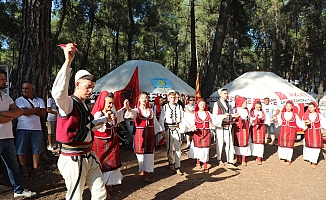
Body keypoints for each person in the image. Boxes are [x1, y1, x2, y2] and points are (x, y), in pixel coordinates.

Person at [52, 43, 108, 200]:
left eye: (92, 87)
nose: (90, 90)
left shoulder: (83, 105)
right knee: (75, 196)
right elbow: (58, 93)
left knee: (100, 192)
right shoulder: (68, 103)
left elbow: (87, 125)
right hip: (73, 158)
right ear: (77, 84)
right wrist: (67, 62)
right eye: (88, 86)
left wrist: (105, 119)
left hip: (88, 155)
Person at [0, 69, 37, 198]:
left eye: (5, 78)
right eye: (2, 79)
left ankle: (18, 190)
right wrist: (11, 116)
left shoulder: (5, 96)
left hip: (8, 137)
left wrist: (6, 115)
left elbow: (19, 111)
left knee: (13, 166)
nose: (5, 81)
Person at [91, 91, 127, 198]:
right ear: (103, 102)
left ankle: (106, 189)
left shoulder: (112, 113)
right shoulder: (99, 114)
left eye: (112, 103)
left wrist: (125, 108)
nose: (111, 105)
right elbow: (97, 125)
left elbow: (119, 115)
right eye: (109, 103)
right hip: (101, 145)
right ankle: (102, 190)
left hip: (112, 144)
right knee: (101, 167)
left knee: (111, 167)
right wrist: (106, 119)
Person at [124, 92, 164, 182]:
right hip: (140, 135)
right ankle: (142, 168)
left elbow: (155, 122)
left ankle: (146, 173)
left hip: (149, 134)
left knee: (149, 154)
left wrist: (161, 131)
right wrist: (127, 107)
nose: (144, 100)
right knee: (141, 155)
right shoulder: (137, 110)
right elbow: (131, 112)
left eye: (146, 98)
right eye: (142, 98)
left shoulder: (150, 111)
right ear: (139, 100)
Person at [15, 82, 46, 180]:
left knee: (36, 150)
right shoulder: (19, 100)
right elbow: (24, 112)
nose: (24, 90)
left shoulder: (39, 100)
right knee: (21, 150)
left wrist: (30, 111)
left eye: (27, 89)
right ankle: (24, 170)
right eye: (23, 88)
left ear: (32, 90)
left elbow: (43, 113)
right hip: (22, 128)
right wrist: (37, 109)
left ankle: (36, 169)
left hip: (36, 129)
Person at [187, 98, 223, 172]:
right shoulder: (195, 114)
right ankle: (198, 163)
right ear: (198, 105)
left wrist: (222, 118)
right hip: (198, 133)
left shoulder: (208, 113)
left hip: (206, 132)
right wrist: (193, 126)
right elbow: (191, 122)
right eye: (201, 104)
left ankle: (205, 164)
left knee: (205, 149)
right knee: (198, 148)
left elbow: (215, 119)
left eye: (204, 104)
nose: (202, 106)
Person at [213, 89, 238, 169]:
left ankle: (230, 161)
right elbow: (214, 116)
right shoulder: (216, 104)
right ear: (220, 94)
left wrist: (233, 116)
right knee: (220, 143)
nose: (226, 95)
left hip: (227, 125)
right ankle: (219, 159)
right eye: (224, 93)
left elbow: (229, 114)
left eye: (227, 93)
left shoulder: (228, 103)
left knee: (229, 143)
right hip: (220, 126)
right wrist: (222, 117)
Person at [276, 101, 306, 166]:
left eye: (290, 106)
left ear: (292, 107)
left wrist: (305, 126)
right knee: (282, 144)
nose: (288, 108)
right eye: (287, 106)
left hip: (291, 131)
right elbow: (279, 123)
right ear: (285, 106)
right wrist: (276, 121)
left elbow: (299, 123)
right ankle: (284, 156)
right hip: (283, 130)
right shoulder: (282, 114)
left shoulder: (295, 115)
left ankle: (289, 159)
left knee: (290, 145)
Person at [162, 90, 184, 175]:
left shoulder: (179, 107)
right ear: (168, 98)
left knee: (178, 148)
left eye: (174, 97)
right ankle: (171, 163)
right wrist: (162, 129)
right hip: (168, 127)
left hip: (177, 128)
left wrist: (182, 129)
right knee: (169, 148)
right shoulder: (165, 107)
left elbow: (182, 119)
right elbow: (162, 118)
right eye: (171, 97)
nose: (172, 99)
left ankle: (177, 166)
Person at [302, 102, 326, 168]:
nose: (310, 109)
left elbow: (324, 123)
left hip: (316, 132)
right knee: (308, 146)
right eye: (309, 107)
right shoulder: (306, 115)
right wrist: (305, 124)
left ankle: (314, 161)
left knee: (316, 147)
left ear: (315, 108)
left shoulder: (319, 115)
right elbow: (303, 125)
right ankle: (309, 158)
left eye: (311, 107)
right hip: (308, 132)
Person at [233, 96, 251, 166]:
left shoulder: (247, 110)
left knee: (244, 142)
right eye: (245, 102)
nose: (246, 104)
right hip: (237, 128)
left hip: (245, 128)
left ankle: (243, 159)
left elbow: (249, 118)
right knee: (237, 143)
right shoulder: (236, 110)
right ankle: (238, 158)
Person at [249, 99, 266, 165]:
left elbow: (265, 120)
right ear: (254, 106)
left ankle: (259, 158)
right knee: (253, 143)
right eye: (257, 107)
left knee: (260, 144)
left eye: (259, 107)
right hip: (253, 129)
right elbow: (250, 120)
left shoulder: (262, 113)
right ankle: (253, 155)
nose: (258, 109)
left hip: (260, 129)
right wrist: (253, 120)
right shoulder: (251, 112)